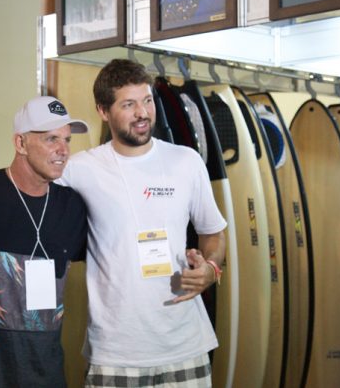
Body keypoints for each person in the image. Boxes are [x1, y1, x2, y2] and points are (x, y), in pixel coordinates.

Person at [59, 59, 226, 387]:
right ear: (103, 111)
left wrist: (211, 268)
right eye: (129, 104)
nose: (142, 112)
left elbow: (214, 232)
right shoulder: (79, 169)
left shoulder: (186, 162)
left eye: (147, 100)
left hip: (185, 344)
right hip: (116, 352)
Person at [0, 96, 89, 387]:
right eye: (51, 139)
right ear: (20, 144)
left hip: (45, 370)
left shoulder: (72, 206)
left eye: (66, 140)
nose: (63, 150)